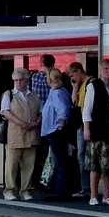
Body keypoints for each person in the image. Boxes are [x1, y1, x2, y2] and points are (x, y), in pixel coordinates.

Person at [0, 67, 41, 201]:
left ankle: (25, 190)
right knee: (12, 164)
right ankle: (9, 189)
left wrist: (36, 123)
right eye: (16, 80)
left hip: (31, 135)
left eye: (21, 80)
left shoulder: (34, 96)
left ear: (26, 80)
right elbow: (5, 112)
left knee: (29, 164)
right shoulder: (9, 94)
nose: (18, 82)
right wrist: (21, 123)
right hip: (15, 134)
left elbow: (41, 112)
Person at [83, 58, 109, 206]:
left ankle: (107, 195)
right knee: (95, 165)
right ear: (101, 70)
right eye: (106, 69)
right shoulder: (94, 86)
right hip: (98, 129)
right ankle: (94, 195)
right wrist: (86, 128)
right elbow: (87, 109)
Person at [40, 67, 72, 201]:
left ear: (50, 79)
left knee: (60, 161)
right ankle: (59, 189)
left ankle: (61, 191)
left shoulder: (57, 93)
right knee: (60, 160)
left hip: (56, 131)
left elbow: (63, 109)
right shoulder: (59, 91)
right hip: (54, 130)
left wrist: (60, 124)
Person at [66, 61, 94, 198]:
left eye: (73, 75)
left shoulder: (90, 84)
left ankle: (87, 187)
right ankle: (85, 186)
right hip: (81, 125)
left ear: (78, 71)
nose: (72, 79)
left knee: (85, 156)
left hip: (86, 125)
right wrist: (75, 87)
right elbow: (74, 102)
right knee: (81, 156)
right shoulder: (81, 85)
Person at [29, 54, 56, 188]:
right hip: (50, 120)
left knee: (35, 150)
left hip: (35, 117)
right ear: (53, 64)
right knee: (48, 151)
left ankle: (33, 179)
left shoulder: (34, 77)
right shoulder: (52, 79)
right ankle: (46, 179)